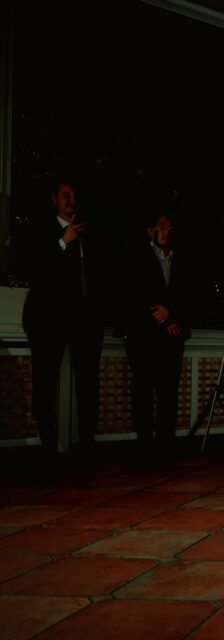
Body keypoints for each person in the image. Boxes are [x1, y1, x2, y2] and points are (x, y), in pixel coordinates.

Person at [21, 181, 106, 454]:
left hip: (84, 319)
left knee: (88, 384)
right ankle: (48, 446)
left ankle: (87, 446)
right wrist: (62, 241)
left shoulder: (89, 233)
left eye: (74, 196)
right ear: (54, 200)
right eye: (65, 196)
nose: (72, 200)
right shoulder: (40, 229)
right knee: (45, 383)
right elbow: (33, 269)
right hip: (48, 319)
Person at [121, 213, 193, 452]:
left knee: (168, 392)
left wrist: (174, 317)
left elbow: (192, 295)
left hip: (173, 335)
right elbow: (129, 293)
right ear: (149, 230)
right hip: (143, 334)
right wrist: (162, 318)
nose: (166, 231)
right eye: (161, 227)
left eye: (171, 227)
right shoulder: (135, 256)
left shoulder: (182, 259)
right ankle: (144, 445)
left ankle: (165, 444)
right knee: (142, 390)